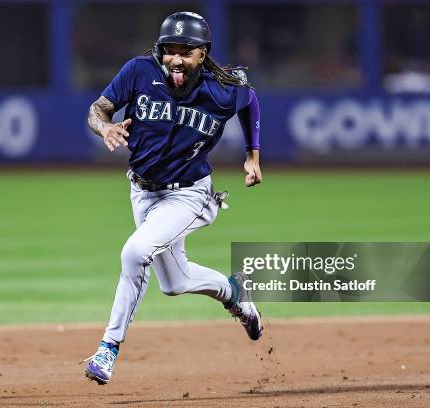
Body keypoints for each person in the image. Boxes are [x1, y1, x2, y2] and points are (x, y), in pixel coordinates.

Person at [82, 11, 263, 385]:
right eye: (169, 49)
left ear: (203, 54)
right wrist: (106, 127)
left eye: (186, 50)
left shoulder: (222, 89)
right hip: (142, 191)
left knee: (134, 253)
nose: (176, 58)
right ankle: (234, 292)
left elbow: (251, 102)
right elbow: (98, 109)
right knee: (175, 283)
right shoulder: (138, 71)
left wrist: (252, 154)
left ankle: (107, 349)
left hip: (189, 195)